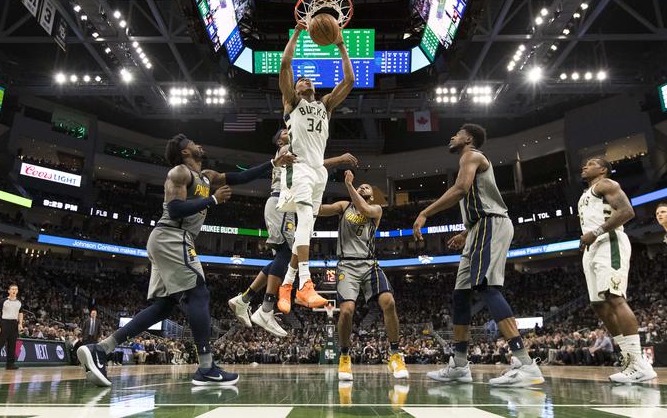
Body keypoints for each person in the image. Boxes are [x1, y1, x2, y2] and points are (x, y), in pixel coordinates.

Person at [77, 134, 295, 387]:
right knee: (199, 293)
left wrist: (273, 163)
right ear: (184, 152)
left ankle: (101, 349)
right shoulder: (180, 173)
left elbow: (240, 177)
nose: (198, 144)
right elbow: (175, 209)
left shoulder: (207, 176)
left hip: (172, 240)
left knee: (164, 307)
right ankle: (206, 368)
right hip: (173, 236)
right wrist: (212, 200)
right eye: (192, 143)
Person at [413, 124, 544, 387]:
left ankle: (526, 363)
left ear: (469, 139)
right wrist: (465, 232)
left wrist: (425, 212)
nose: (452, 136)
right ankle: (460, 365)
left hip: (490, 224)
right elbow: (474, 199)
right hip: (477, 229)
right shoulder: (466, 161)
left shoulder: (471, 156)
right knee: (460, 294)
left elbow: (461, 189)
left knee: (486, 288)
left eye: (457, 133)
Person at [228, 128, 358, 337]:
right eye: (286, 132)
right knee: (288, 254)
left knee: (283, 257)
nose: (291, 132)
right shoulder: (287, 149)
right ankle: (266, 308)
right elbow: (317, 164)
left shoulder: (290, 149)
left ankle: (244, 299)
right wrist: (340, 159)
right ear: (280, 140)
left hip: (284, 205)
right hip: (280, 202)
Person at [275, 22, 355, 312]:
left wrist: (341, 45)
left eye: (308, 79)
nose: (304, 80)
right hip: (299, 169)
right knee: (306, 221)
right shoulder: (292, 102)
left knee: (306, 231)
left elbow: (349, 80)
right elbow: (285, 65)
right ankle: (305, 285)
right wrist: (295, 32)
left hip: (318, 171)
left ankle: (287, 284)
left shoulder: (326, 105)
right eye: (300, 79)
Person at [318, 170, 408, 380]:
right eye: (360, 186)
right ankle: (345, 357)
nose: (363, 187)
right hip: (347, 265)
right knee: (347, 310)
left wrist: (350, 186)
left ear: (373, 195)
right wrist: (307, 198)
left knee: (389, 302)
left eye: (366, 187)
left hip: (369, 263)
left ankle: (395, 355)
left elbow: (364, 208)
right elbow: (321, 210)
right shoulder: (343, 206)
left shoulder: (375, 209)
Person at [578, 157, 657, 382]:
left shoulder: (607, 184)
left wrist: (596, 232)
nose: (584, 166)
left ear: (602, 169)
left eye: (590, 163)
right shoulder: (586, 193)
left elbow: (626, 211)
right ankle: (629, 360)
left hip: (609, 241)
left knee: (615, 298)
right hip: (592, 248)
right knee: (599, 305)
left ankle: (638, 362)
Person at [0, 284, 24, 370]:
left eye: (16, 289)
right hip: (4, 323)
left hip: (14, 324)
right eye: (12, 289)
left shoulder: (19, 302)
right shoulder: (3, 301)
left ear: (17, 291)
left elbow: (20, 313)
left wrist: (20, 324)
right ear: (9, 291)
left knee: (12, 346)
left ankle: (10, 364)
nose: (14, 291)